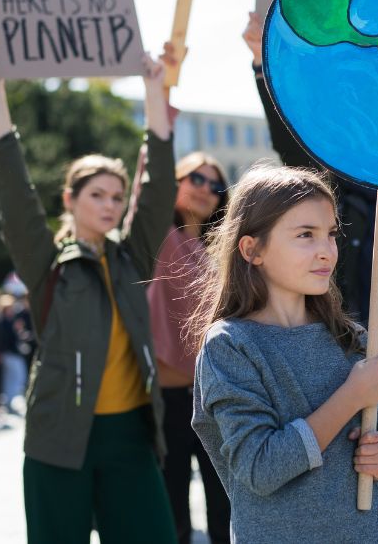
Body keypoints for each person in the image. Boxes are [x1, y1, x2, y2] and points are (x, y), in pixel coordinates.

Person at [243, 11, 378, 544]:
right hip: (360, 376)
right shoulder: (340, 194)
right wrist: (262, 66)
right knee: (360, 518)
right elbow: (292, 147)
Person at [0, 48, 178, 544]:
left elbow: (158, 191)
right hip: (60, 439)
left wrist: (155, 93)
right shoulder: (48, 265)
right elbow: (15, 196)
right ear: (69, 199)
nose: (110, 206)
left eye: (117, 196)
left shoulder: (131, 257)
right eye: (96, 195)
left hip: (131, 436)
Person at [190, 163, 378, 542]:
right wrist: (351, 396)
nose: (327, 252)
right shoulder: (230, 345)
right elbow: (261, 467)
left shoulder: (349, 337)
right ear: (252, 249)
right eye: (306, 235)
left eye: (331, 234)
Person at [148, 151, 231, 543]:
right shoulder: (158, 236)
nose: (205, 189)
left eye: (215, 185)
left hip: (214, 395)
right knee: (171, 509)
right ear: (174, 181)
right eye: (195, 178)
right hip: (169, 399)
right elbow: (147, 192)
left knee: (225, 507)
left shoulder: (220, 254)